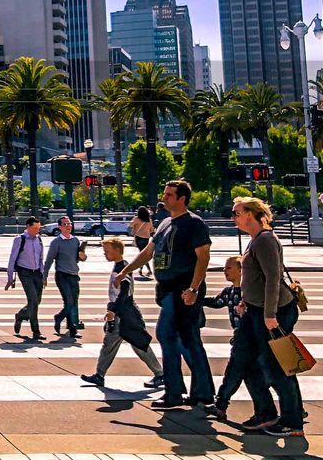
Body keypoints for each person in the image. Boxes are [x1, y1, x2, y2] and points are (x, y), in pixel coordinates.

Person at [116, 180, 215, 410]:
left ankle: (176, 392)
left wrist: (193, 289)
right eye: (165, 194)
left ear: (182, 199)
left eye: (170, 195)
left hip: (183, 289)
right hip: (168, 289)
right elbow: (148, 252)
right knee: (186, 340)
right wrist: (125, 271)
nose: (165, 198)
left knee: (169, 335)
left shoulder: (194, 224)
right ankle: (201, 392)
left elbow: (203, 257)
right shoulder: (164, 224)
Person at [229, 196, 304, 437]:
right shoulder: (255, 240)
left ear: (250, 214)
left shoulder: (265, 240)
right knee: (248, 361)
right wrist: (245, 300)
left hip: (272, 311)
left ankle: (292, 422)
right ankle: (267, 412)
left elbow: (274, 278)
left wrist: (270, 314)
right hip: (256, 310)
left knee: (278, 366)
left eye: (236, 212)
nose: (233, 217)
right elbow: (258, 278)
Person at [80, 237, 164, 389]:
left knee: (137, 344)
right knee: (112, 344)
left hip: (125, 314)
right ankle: (99, 375)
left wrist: (113, 310)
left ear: (118, 251)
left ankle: (160, 374)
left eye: (107, 251)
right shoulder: (119, 266)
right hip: (122, 312)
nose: (105, 254)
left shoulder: (122, 268)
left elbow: (124, 292)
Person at [202, 256, 248, 421]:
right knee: (253, 376)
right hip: (240, 337)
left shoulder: (249, 291)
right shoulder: (229, 292)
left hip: (248, 338)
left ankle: (220, 406)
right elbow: (216, 302)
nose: (224, 271)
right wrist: (197, 299)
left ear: (241, 270)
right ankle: (221, 405)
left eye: (229, 268)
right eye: (224, 268)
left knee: (234, 373)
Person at [44, 216, 86, 338]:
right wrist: (44, 276)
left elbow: (79, 258)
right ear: (60, 227)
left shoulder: (75, 240)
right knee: (69, 302)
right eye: (65, 224)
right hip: (62, 275)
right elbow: (49, 260)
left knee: (73, 302)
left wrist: (83, 256)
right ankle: (60, 318)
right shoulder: (56, 242)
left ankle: (71, 327)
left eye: (69, 224)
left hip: (74, 275)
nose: (68, 226)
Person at [5, 216, 47, 341]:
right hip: (25, 272)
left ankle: (21, 315)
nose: (37, 231)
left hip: (37, 273)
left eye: (38, 228)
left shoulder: (39, 240)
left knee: (37, 301)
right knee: (33, 300)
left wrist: (43, 275)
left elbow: (40, 259)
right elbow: (12, 258)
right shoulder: (20, 239)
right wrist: (10, 277)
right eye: (35, 228)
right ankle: (36, 331)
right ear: (28, 227)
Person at [130, 205, 155, 279]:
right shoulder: (149, 220)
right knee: (143, 253)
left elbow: (130, 224)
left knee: (142, 254)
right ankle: (142, 269)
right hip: (146, 237)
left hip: (138, 237)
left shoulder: (137, 218)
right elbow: (151, 230)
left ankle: (148, 269)